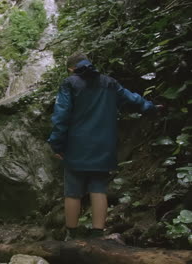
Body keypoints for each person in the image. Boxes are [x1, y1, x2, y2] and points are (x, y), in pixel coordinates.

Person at [47, 53, 161, 241]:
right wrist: (151, 107)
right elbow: (132, 99)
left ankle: (72, 235)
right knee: (99, 188)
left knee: (73, 192)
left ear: (70, 69)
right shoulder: (109, 82)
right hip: (104, 146)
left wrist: (56, 144)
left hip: (76, 146)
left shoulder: (69, 83)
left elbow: (61, 117)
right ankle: (98, 234)